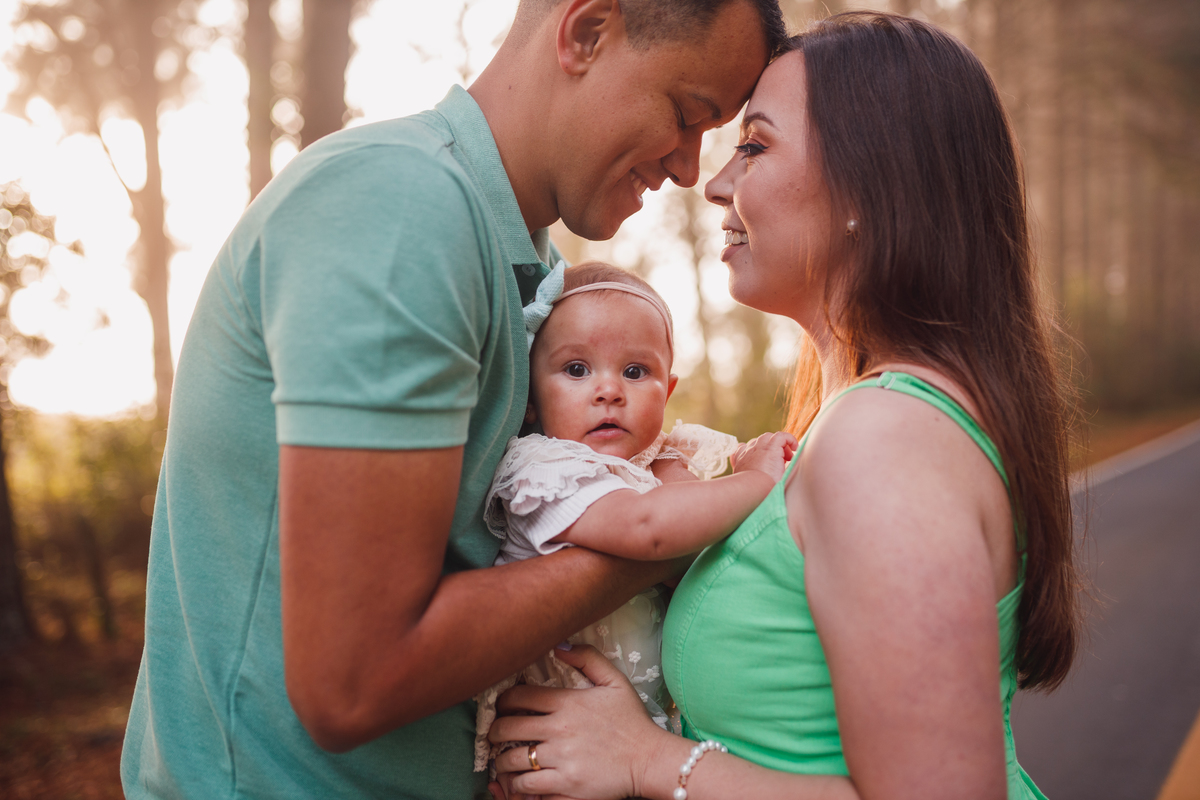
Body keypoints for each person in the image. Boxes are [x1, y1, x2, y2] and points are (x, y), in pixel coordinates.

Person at [119, 1, 788, 798]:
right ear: (585, 31)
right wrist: (664, 536)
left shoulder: (529, 268)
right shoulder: (403, 210)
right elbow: (354, 682)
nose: (689, 167)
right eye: (686, 114)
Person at [490, 12, 1082, 800]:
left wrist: (649, 761)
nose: (716, 183)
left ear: (871, 185)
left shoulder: (885, 438)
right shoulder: (862, 418)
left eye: (755, 145)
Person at [472, 261, 796, 771]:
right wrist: (756, 481)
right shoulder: (545, 470)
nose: (609, 390)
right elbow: (650, 530)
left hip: (630, 733)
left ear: (666, 392)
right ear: (532, 400)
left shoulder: (660, 464)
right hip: (556, 742)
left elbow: (690, 549)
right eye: (576, 370)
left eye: (634, 371)